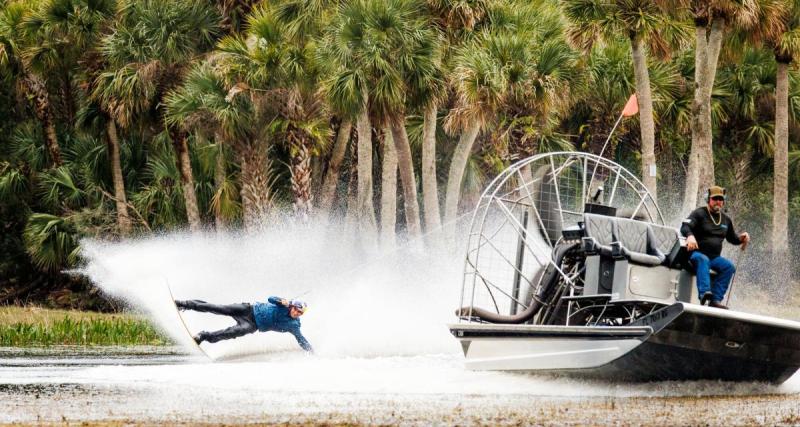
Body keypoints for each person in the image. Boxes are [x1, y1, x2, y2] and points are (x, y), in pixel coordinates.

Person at [680, 186, 750, 309]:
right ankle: (704, 294)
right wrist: (690, 236)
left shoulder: (726, 220)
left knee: (729, 267)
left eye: (720, 199)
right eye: (715, 198)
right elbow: (685, 227)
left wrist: (741, 238)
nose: (718, 201)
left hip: (714, 258)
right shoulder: (699, 213)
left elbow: (732, 238)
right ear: (708, 199)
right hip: (696, 254)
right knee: (703, 260)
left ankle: (715, 300)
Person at [174, 296, 313, 352]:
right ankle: (184, 304)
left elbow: (302, 340)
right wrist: (281, 300)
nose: (296, 313)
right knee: (217, 308)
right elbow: (270, 298)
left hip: (253, 325)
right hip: (248, 309)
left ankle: (203, 336)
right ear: (292, 306)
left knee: (232, 333)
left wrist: (312, 353)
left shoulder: (294, 325)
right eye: (296, 309)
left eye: (300, 313)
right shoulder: (284, 305)